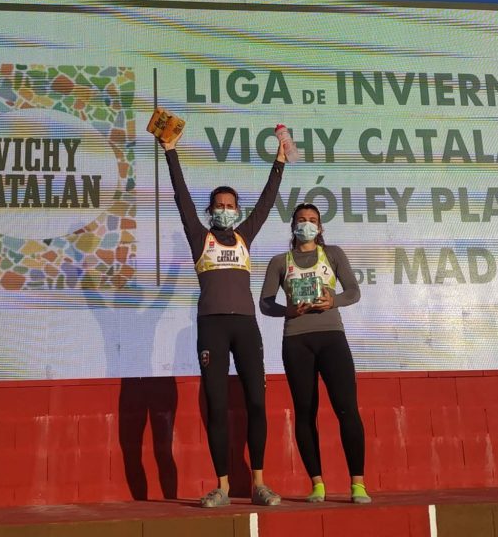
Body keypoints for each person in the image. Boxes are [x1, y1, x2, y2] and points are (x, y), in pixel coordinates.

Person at [158, 130, 286, 507]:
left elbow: (266, 202)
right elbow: (181, 196)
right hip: (212, 326)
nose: (225, 209)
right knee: (215, 404)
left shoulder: (245, 235)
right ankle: (224, 486)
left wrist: (279, 162)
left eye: (230, 205)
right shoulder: (201, 238)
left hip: (245, 326)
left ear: (237, 211)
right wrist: (171, 151)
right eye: (218, 205)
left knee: (256, 404)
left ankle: (259, 483)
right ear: (210, 210)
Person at [259, 203, 371, 504]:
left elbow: (354, 292)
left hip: (332, 337)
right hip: (296, 340)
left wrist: (333, 301)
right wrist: (288, 310)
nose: (306, 225)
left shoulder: (332, 254)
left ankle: (357, 484)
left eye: (312, 221)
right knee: (305, 413)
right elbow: (265, 303)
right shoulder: (279, 262)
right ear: (292, 226)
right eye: (301, 220)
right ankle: (317, 484)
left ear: (319, 228)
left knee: (346, 408)